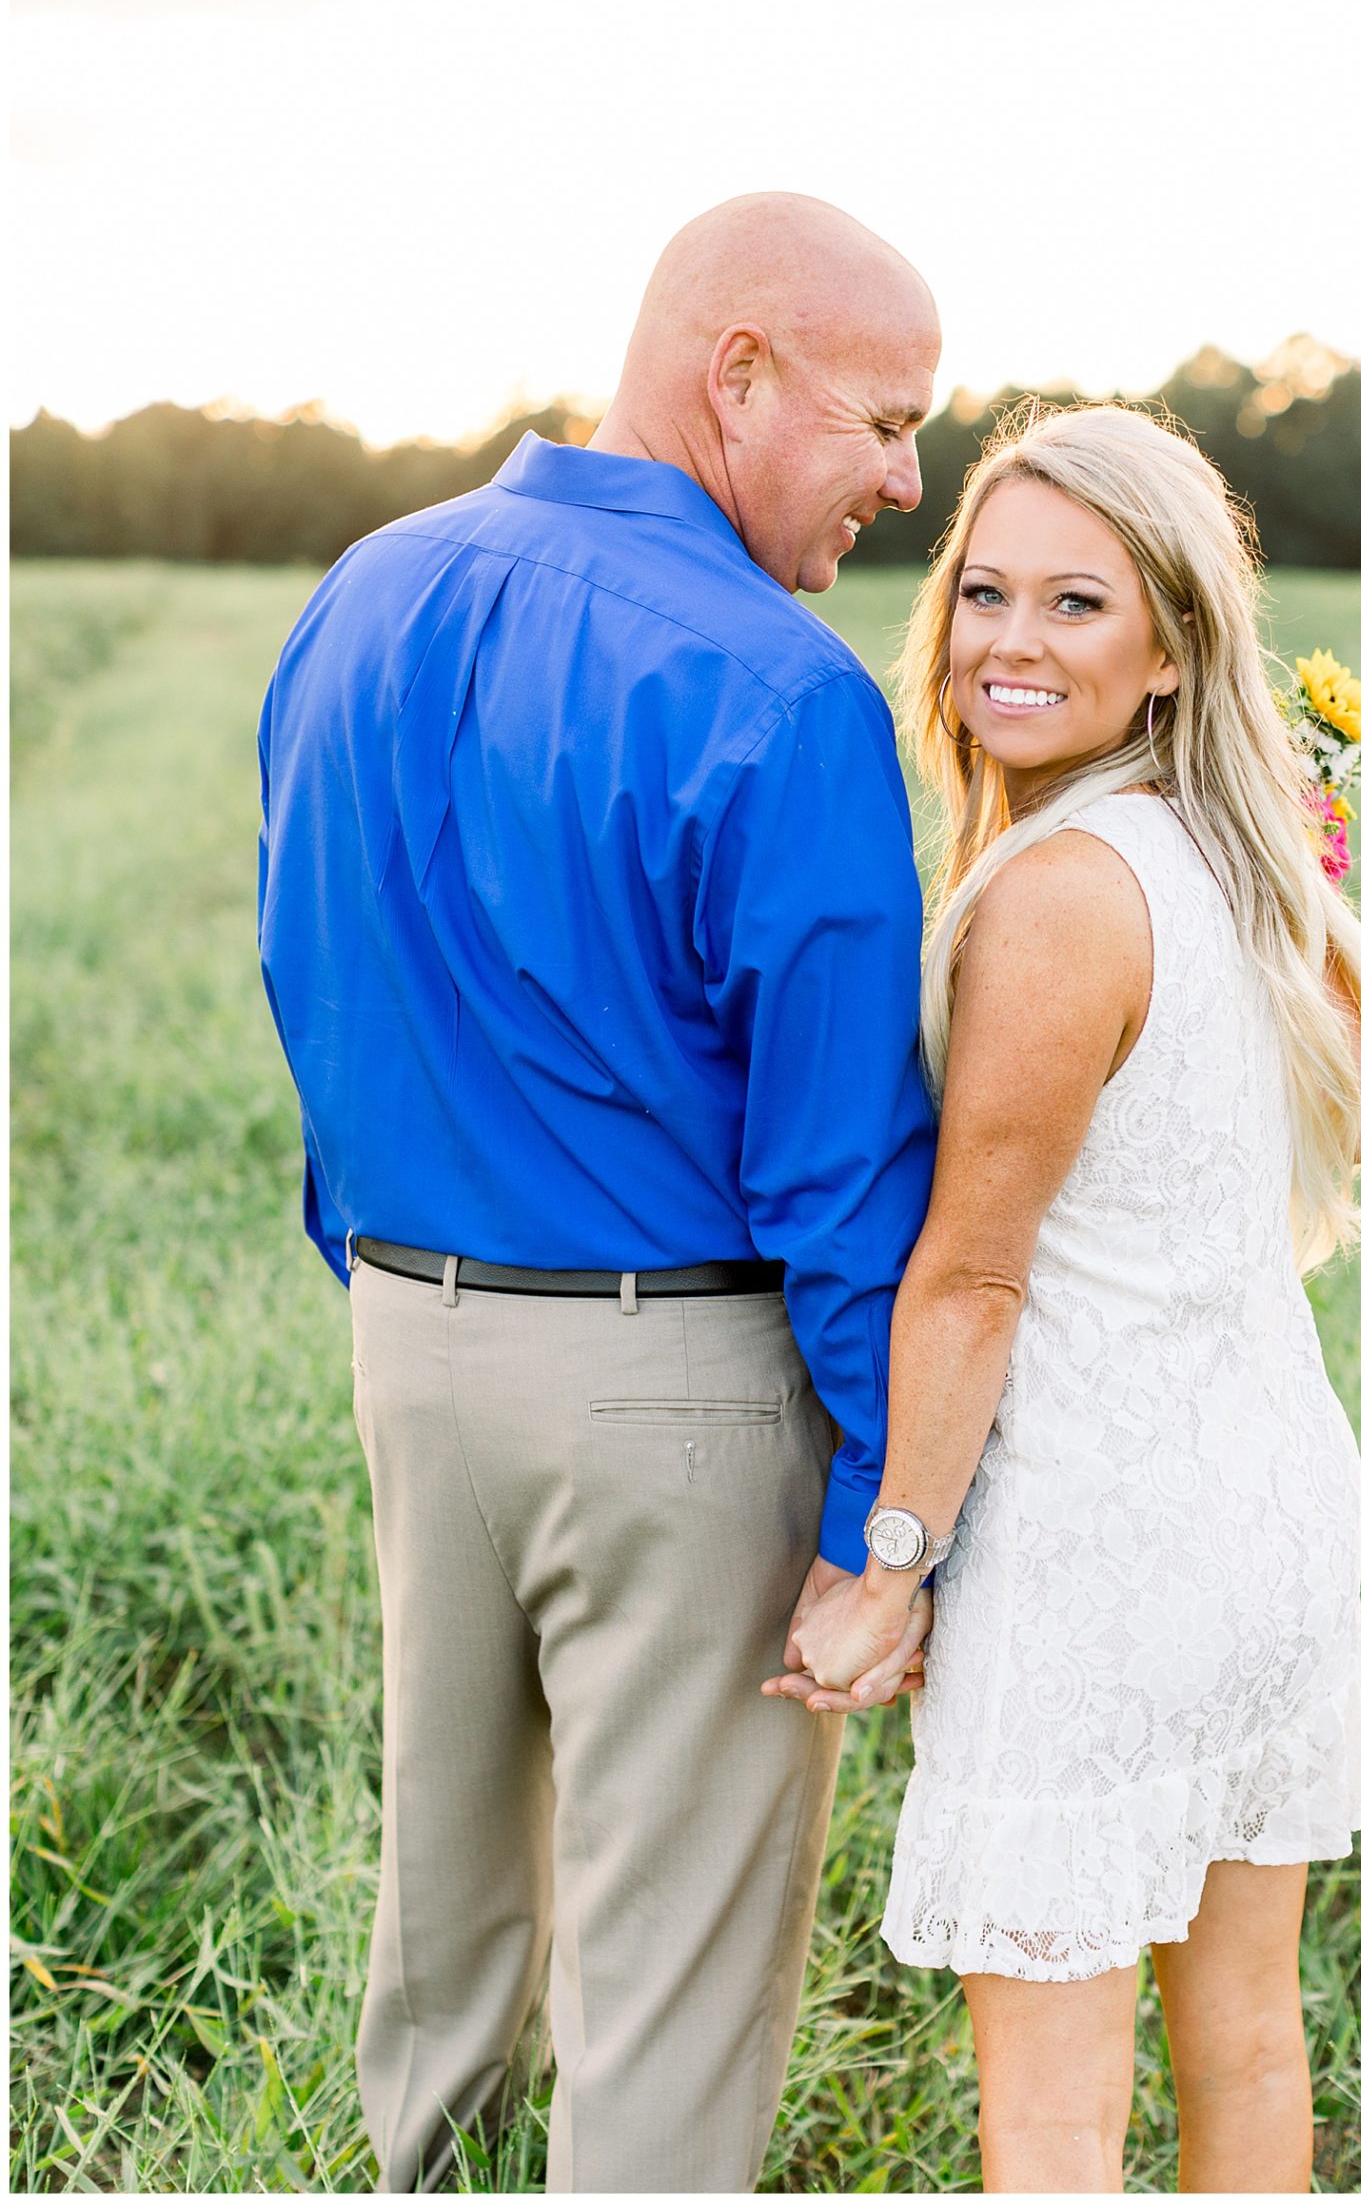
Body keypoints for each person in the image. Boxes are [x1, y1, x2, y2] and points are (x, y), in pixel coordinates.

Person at [256, 193, 941, 2193]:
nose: (905, 482)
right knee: (671, 1975)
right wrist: (878, 1510)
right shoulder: (784, 685)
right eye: (883, 419)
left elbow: (305, 967)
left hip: (408, 1338)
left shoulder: (360, 590)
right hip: (677, 1383)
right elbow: (839, 1164)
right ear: (735, 374)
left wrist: (394, 1285)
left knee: (447, 1909)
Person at [767, 400, 1361, 2193]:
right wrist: (1296, 845)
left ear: (1167, 650)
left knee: (1053, 2124)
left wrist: (886, 1562)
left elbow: (973, 1275)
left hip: (1099, 1555)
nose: (1005, 641)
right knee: (1243, 2039)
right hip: (1269, 1513)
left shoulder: (1062, 897)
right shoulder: (1235, 855)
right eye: (983, 593)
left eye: (1077, 604)